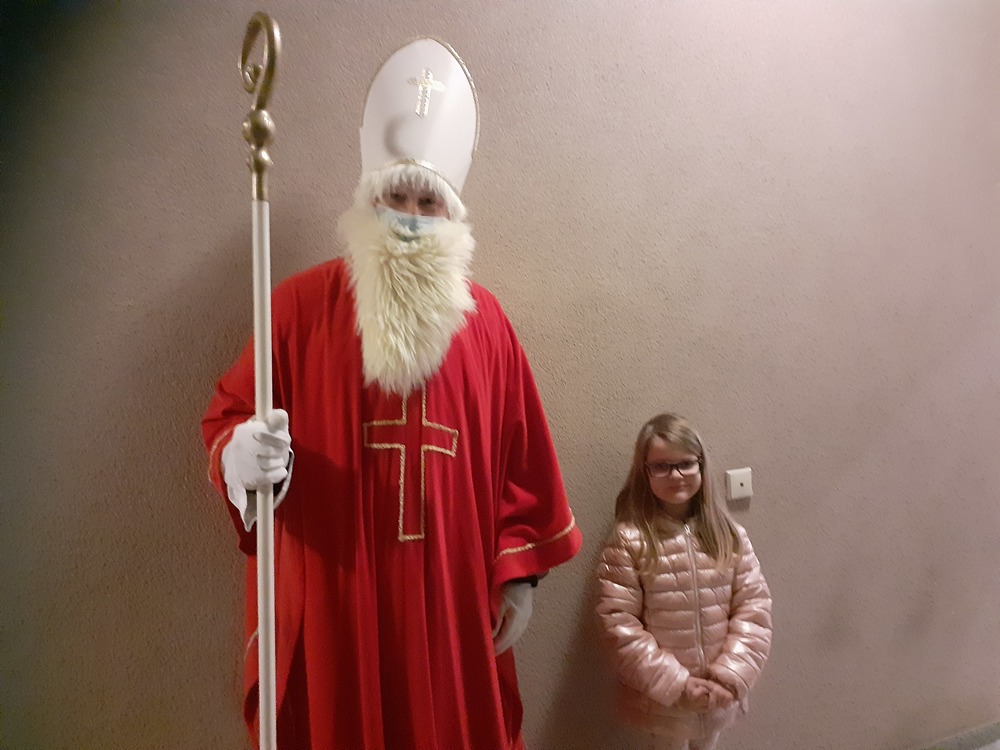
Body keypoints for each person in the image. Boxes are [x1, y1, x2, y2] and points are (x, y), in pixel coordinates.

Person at [202, 38, 582, 750]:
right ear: (368, 202)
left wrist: (519, 580)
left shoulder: (488, 325)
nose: (409, 217)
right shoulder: (295, 309)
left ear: (450, 216)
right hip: (336, 598)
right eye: (394, 197)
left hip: (451, 606)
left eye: (427, 202)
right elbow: (230, 414)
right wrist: (239, 457)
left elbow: (522, 462)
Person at [594, 413, 771, 750]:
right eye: (661, 466)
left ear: (701, 466)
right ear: (644, 472)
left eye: (686, 464)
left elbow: (754, 611)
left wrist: (729, 677)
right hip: (663, 701)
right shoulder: (629, 541)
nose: (675, 475)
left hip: (717, 695)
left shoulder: (729, 535)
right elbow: (618, 625)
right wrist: (678, 686)